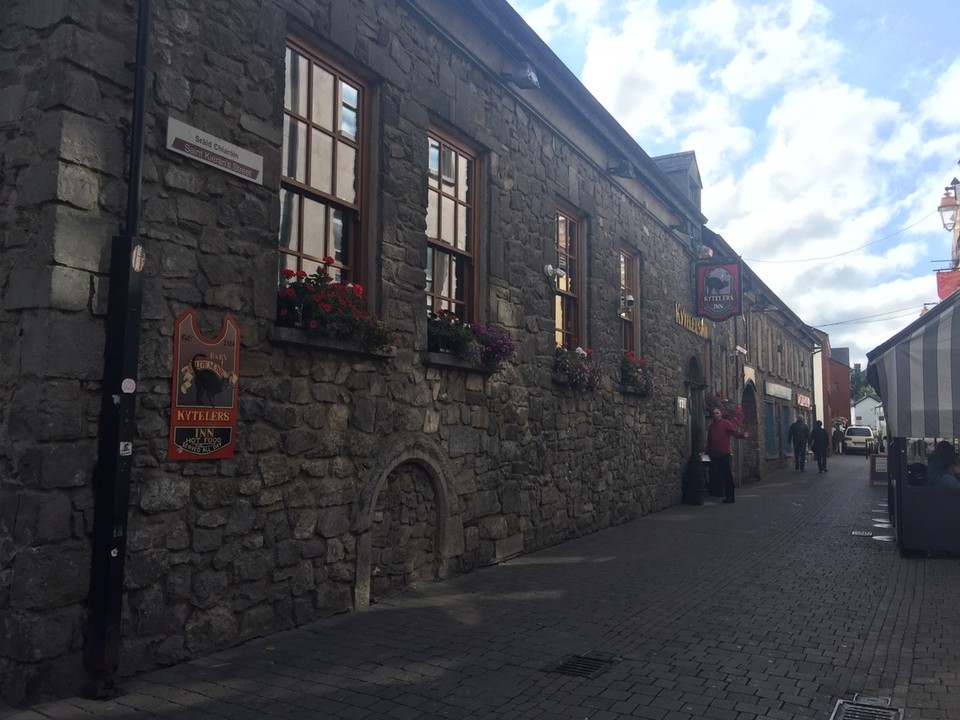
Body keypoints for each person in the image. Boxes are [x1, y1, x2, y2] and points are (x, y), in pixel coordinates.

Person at [704, 407, 750, 503]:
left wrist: (742, 435)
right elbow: (709, 441)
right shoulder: (712, 427)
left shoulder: (725, 423)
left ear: (720, 414)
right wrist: (705, 451)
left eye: (717, 413)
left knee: (727, 475)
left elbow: (734, 433)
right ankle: (719, 493)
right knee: (714, 473)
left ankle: (731, 497)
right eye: (714, 414)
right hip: (714, 454)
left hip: (724, 454)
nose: (715, 415)